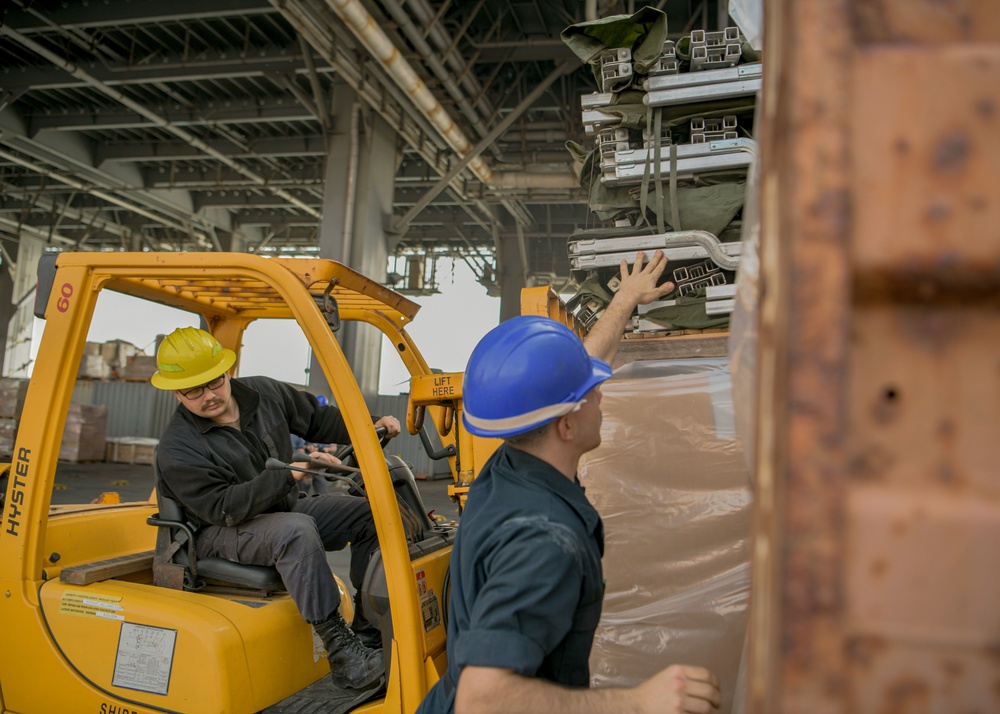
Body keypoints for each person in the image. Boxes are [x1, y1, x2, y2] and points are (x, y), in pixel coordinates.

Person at [416, 251, 721, 714]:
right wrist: (639, 702)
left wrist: (625, 300)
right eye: (590, 392)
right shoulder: (544, 541)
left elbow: (579, 365)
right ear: (565, 425)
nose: (600, 391)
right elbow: (482, 698)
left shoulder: (512, 458)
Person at [150, 326, 400, 691]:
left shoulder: (264, 393)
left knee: (370, 513)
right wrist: (293, 474)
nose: (209, 395)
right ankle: (343, 654)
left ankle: (366, 631)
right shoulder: (178, 447)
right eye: (194, 390)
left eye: (214, 382)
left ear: (227, 371)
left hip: (281, 507)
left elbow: (319, 419)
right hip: (217, 531)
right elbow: (224, 508)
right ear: (177, 392)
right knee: (295, 530)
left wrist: (370, 424)